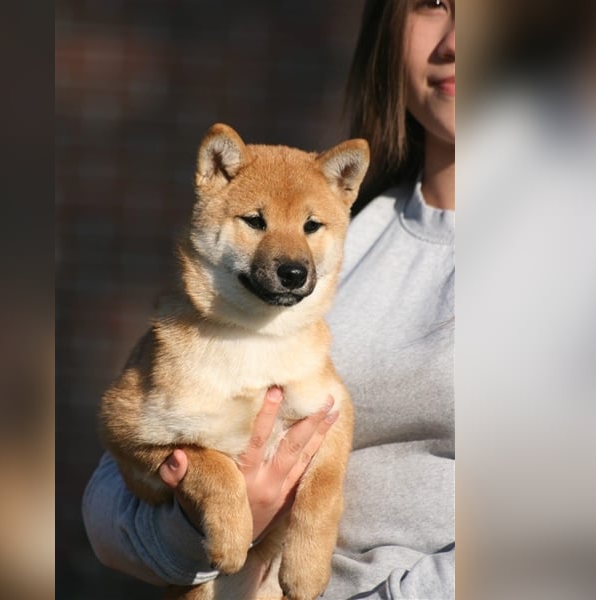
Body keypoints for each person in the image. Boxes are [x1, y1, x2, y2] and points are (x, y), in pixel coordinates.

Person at [82, 0, 455, 597]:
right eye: (434, 3)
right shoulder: (350, 238)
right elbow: (109, 507)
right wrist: (201, 521)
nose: (460, 39)